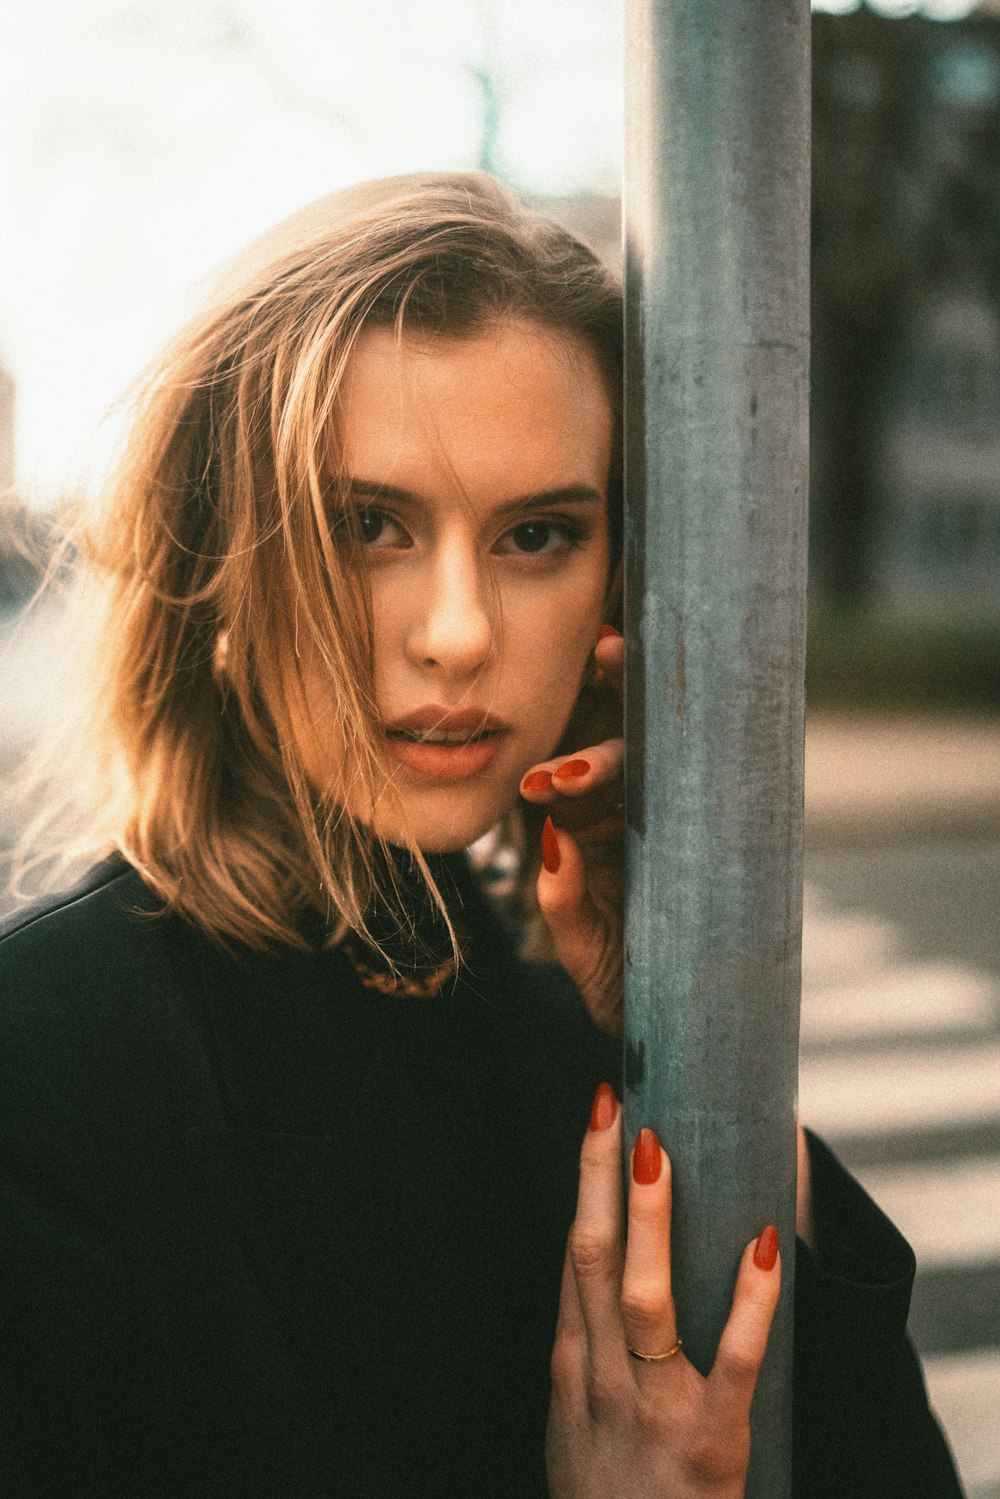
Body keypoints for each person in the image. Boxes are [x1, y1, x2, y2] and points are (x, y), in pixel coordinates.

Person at [0, 173, 961, 1499]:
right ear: (213, 545)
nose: (457, 632)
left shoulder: (585, 1051)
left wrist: (707, 1062)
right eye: (369, 526)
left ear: (618, 589)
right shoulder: (41, 1057)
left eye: (537, 535)